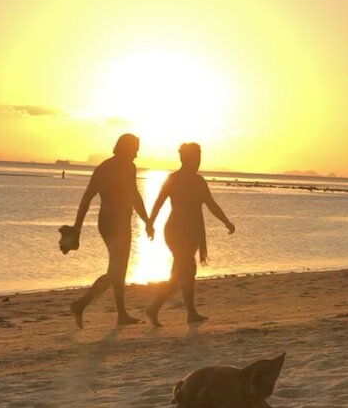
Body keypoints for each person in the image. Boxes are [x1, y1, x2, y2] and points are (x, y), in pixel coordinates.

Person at [64, 133, 150, 327]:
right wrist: (77, 227)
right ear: (125, 148)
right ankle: (80, 304)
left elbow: (134, 195)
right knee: (116, 271)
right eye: (135, 150)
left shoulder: (130, 167)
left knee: (119, 270)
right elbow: (87, 198)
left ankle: (121, 314)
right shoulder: (105, 169)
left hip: (123, 223)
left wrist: (147, 221)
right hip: (110, 223)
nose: (136, 154)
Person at [144, 143, 235, 327]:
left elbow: (211, 204)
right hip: (176, 230)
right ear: (186, 159)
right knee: (183, 270)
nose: (198, 162)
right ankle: (156, 308)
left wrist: (226, 221)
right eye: (196, 158)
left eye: (199, 158)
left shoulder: (197, 181)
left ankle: (185, 312)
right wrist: (150, 223)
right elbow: (159, 202)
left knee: (184, 271)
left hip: (191, 231)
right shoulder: (175, 179)